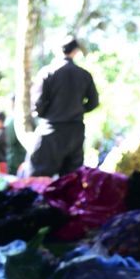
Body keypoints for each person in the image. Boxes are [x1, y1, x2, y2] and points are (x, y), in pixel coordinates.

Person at [26, 36, 99, 177]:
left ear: (56, 51)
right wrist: (78, 110)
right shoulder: (85, 75)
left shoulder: (47, 72)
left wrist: (50, 113)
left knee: (37, 178)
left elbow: (37, 104)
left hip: (51, 130)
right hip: (75, 132)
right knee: (70, 180)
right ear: (75, 52)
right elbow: (94, 102)